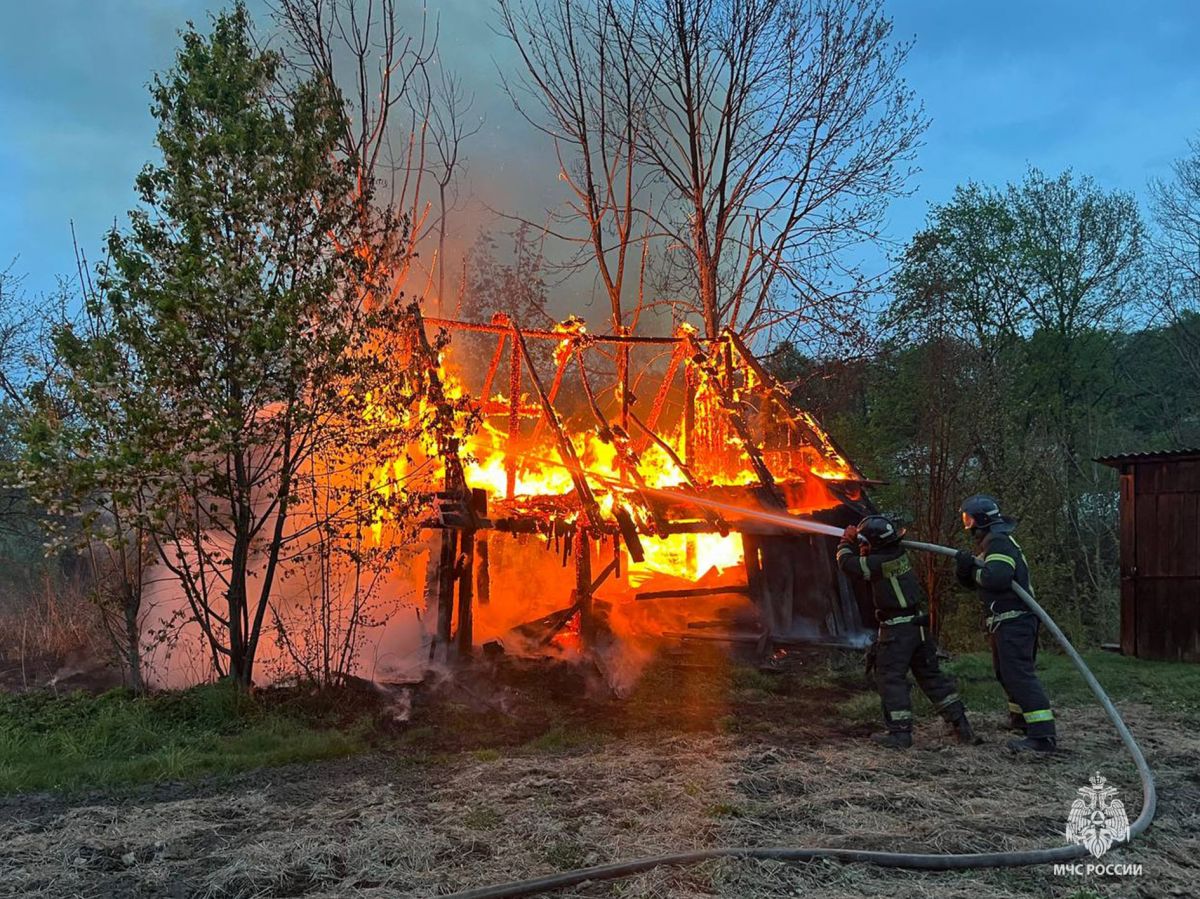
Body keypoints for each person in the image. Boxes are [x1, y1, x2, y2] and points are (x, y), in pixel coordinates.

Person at [837, 515, 977, 749]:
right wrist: (864, 545)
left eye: (865, 543)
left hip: (898, 630)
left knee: (890, 678)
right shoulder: (897, 554)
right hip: (918, 627)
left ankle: (899, 734)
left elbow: (847, 564)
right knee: (931, 677)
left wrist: (845, 542)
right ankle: (961, 726)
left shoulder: (878, 563)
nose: (862, 547)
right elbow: (870, 557)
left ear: (874, 544)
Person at [955, 494, 1057, 754]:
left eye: (968, 519)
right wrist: (965, 570)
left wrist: (973, 570)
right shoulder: (993, 542)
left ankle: (1042, 736)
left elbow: (996, 578)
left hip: (1015, 621)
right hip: (1006, 622)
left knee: (1019, 675)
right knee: (1006, 673)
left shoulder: (998, 542)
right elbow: (981, 579)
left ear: (979, 521)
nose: (967, 525)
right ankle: (1021, 719)